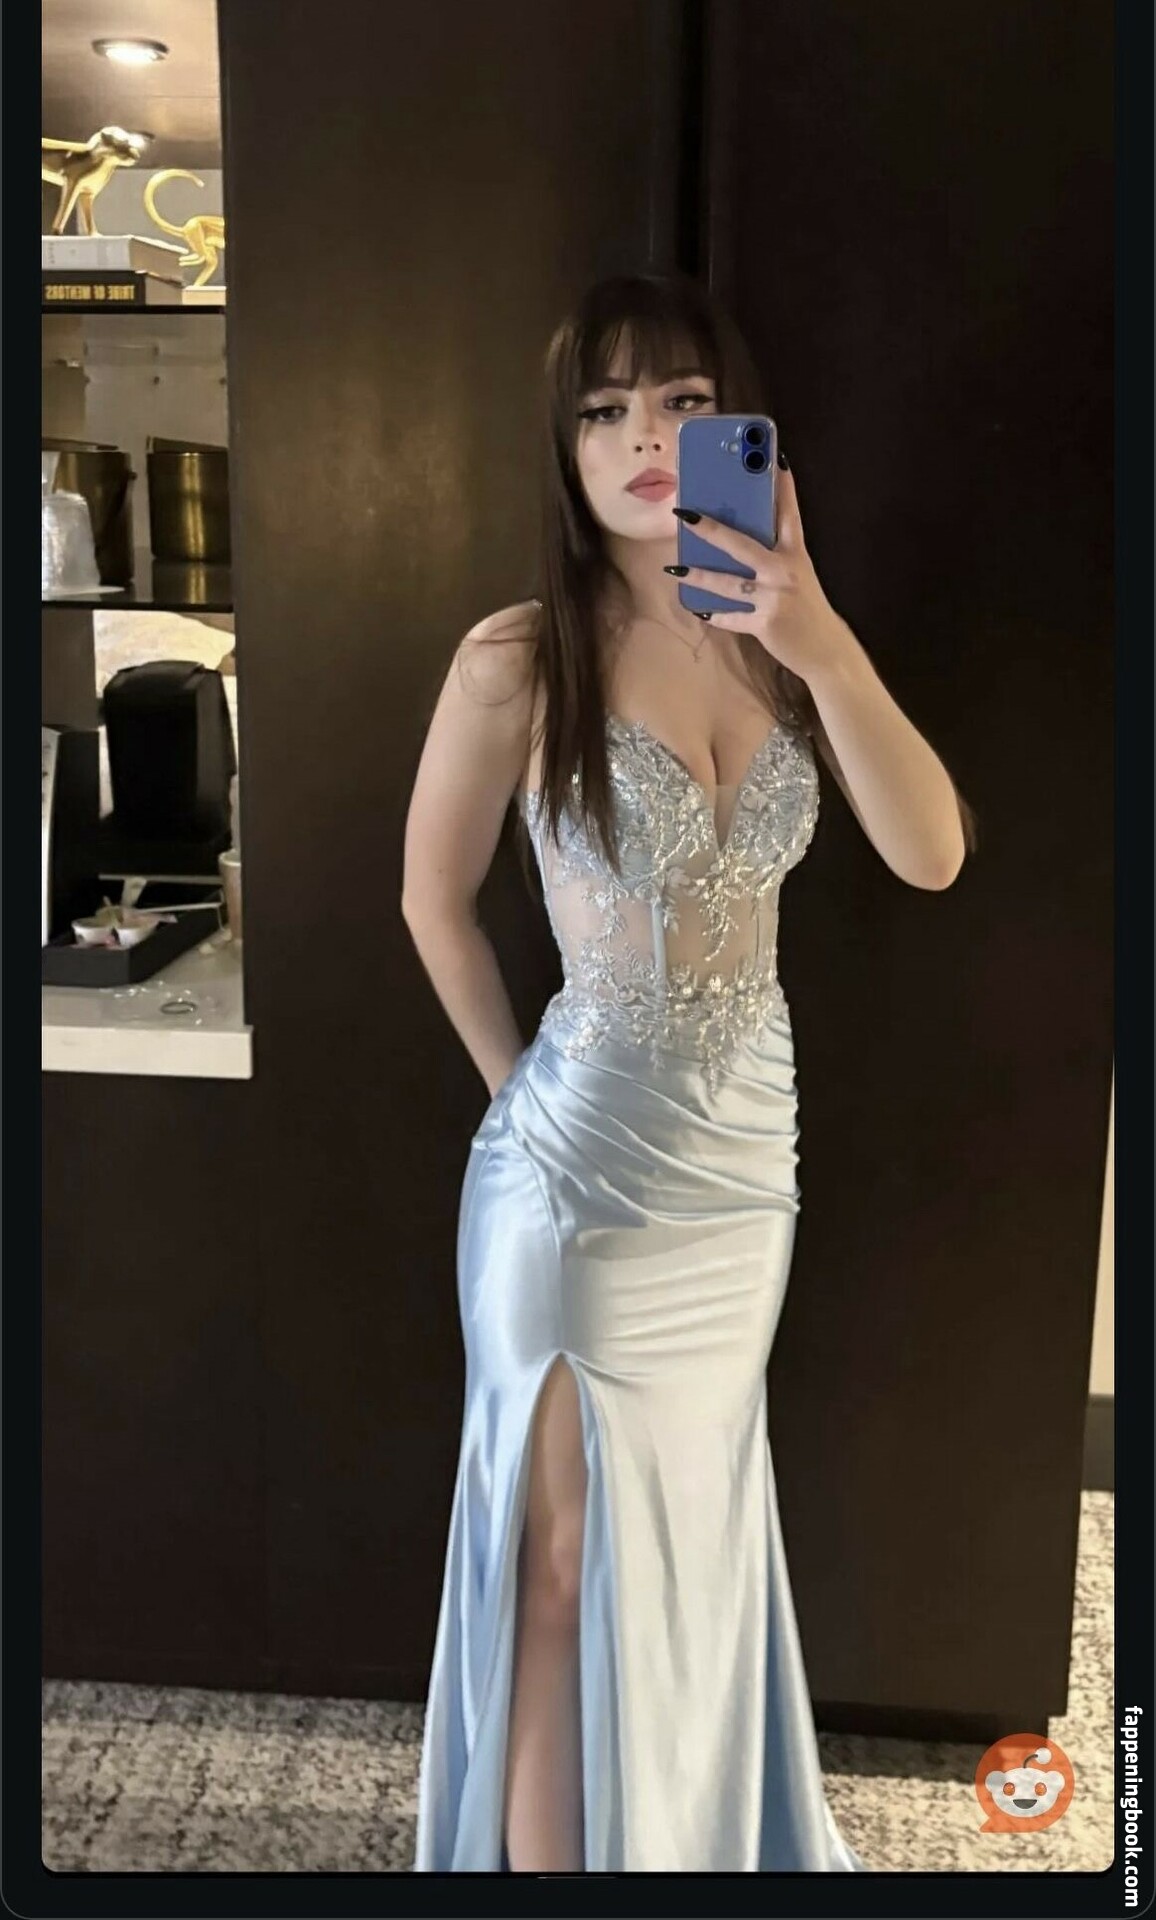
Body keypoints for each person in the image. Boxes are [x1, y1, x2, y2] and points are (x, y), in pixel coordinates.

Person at [402, 271, 977, 1873]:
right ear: (566, 451)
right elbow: (430, 902)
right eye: (604, 412)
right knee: (562, 1558)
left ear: (740, 429)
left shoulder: (784, 642)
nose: (644, 437)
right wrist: (518, 1097)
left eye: (681, 402)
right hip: (572, 1175)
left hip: (740, 1174)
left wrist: (822, 639)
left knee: (688, 1541)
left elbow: (932, 853)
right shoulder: (519, 659)